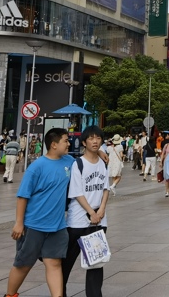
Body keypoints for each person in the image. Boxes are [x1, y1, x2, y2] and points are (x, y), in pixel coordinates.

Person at [4, 127, 74, 297]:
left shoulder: (69, 161)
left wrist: (100, 153)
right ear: (54, 144)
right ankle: (10, 295)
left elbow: (86, 161)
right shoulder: (37, 167)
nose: (68, 144)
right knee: (23, 264)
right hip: (33, 225)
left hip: (57, 226)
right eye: (65, 140)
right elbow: (23, 196)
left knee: (54, 263)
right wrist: (19, 223)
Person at [63, 125, 110, 297]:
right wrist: (91, 212)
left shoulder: (103, 163)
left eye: (98, 138)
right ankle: (60, 292)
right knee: (66, 263)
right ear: (84, 142)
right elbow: (77, 192)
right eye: (91, 138)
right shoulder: (78, 164)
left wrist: (101, 209)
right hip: (78, 221)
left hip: (99, 221)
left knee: (96, 263)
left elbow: (105, 188)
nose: (95, 141)